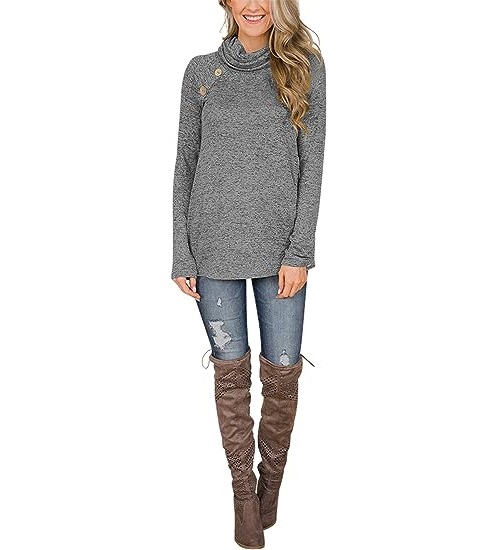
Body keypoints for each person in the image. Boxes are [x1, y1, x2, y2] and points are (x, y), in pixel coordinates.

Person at [171, 0, 326, 547]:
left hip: (281, 252)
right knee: (230, 375)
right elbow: (185, 163)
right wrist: (181, 252)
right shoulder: (200, 72)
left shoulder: (304, 65)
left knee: (282, 372)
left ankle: (271, 487)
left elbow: (313, 163)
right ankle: (243, 494)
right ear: (226, 3)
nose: (254, 4)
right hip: (211, 247)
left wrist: (300, 250)